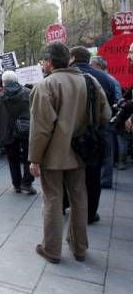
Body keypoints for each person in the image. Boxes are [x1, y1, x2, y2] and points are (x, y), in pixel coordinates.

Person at [29, 42, 110, 264]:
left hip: (53, 155)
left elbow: (41, 129)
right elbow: (105, 114)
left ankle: (52, 250)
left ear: (49, 62)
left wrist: (34, 159)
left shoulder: (46, 85)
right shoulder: (90, 81)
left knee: (53, 199)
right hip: (83, 151)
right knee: (79, 197)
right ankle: (79, 247)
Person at [69, 47, 116, 223]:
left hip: (71, 135)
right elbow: (109, 110)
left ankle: (67, 204)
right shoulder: (105, 78)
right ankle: (90, 213)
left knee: (70, 173)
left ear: (72, 58)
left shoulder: (66, 78)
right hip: (96, 135)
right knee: (93, 177)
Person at [0, 71, 36, 194]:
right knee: (28, 157)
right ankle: (27, 183)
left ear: (4, 82)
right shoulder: (28, 93)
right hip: (26, 129)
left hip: (7, 131)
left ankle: (16, 184)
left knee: (13, 159)